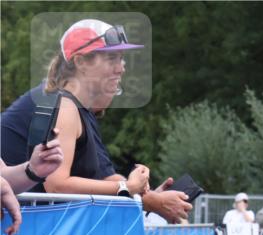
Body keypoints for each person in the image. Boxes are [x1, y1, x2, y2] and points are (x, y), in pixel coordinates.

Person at [0, 19, 191, 222]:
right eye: (112, 58)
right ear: (80, 62)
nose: (121, 68)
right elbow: (56, 184)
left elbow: (104, 178)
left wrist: (146, 195)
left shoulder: (77, 108)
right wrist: (128, 189)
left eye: (121, 58)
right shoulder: (64, 105)